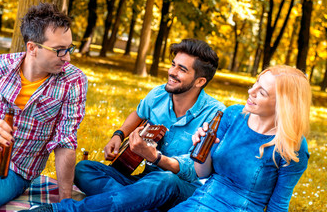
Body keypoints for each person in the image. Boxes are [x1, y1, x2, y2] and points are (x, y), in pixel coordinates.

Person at [21, 38, 226, 212]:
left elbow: (193, 171)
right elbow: (137, 114)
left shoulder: (215, 114)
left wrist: (154, 156)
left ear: (200, 81)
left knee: (165, 180)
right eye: (173, 64)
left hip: (182, 189)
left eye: (181, 69)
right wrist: (118, 135)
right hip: (143, 182)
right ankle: (136, 204)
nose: (172, 72)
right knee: (84, 169)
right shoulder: (158, 95)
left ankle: (66, 210)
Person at [0, 3, 88, 212]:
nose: (67, 57)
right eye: (59, 51)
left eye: (69, 49)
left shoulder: (73, 81)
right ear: (32, 48)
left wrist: (66, 202)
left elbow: (65, 142)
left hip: (15, 170)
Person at [169, 65, 311, 212]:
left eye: (262, 92)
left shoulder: (293, 145)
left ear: (283, 106)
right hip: (198, 201)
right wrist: (203, 149)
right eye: (256, 83)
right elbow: (202, 173)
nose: (251, 91)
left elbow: (278, 205)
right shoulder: (233, 115)